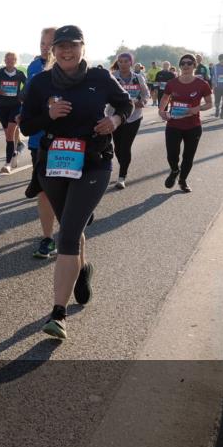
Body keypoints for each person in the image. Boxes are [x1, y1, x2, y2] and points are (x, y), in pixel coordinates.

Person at [20, 25, 133, 340]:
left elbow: (127, 104)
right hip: (54, 163)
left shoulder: (99, 78)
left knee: (67, 235)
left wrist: (115, 120)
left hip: (94, 162)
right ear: (53, 50)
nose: (66, 52)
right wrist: (49, 115)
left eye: (73, 46)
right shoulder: (40, 83)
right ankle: (82, 270)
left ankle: (58, 314)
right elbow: (27, 126)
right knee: (72, 225)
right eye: (61, 47)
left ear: (83, 48)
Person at [24, 28, 58, 258]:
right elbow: (28, 100)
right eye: (42, 42)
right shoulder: (34, 68)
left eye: (50, 43)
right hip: (40, 138)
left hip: (71, 141)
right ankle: (48, 238)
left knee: (68, 191)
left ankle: (76, 218)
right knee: (45, 191)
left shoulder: (82, 72)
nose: (45, 47)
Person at [159, 54, 213, 192]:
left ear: (194, 65)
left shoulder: (202, 84)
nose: (186, 66)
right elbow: (165, 98)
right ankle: (174, 170)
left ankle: (182, 181)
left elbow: (209, 104)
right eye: (183, 63)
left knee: (188, 157)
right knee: (172, 154)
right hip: (173, 125)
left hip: (193, 126)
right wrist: (161, 111)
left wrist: (198, 108)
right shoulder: (172, 83)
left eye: (189, 63)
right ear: (180, 66)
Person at [109, 52, 150, 189]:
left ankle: (122, 177)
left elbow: (146, 94)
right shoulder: (112, 77)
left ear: (131, 63)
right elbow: (106, 94)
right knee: (118, 149)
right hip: (116, 117)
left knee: (125, 147)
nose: (123, 64)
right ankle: (124, 165)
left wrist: (142, 101)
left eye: (126, 61)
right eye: (120, 61)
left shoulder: (138, 78)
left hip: (134, 117)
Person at [0, 52, 27, 173]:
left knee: (10, 134)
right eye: (8, 59)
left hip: (15, 107)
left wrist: (21, 96)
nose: (10, 61)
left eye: (12, 59)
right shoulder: (0, 73)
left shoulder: (20, 74)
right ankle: (15, 151)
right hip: (2, 108)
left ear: (16, 61)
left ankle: (7, 164)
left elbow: (28, 86)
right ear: (5, 60)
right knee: (8, 136)